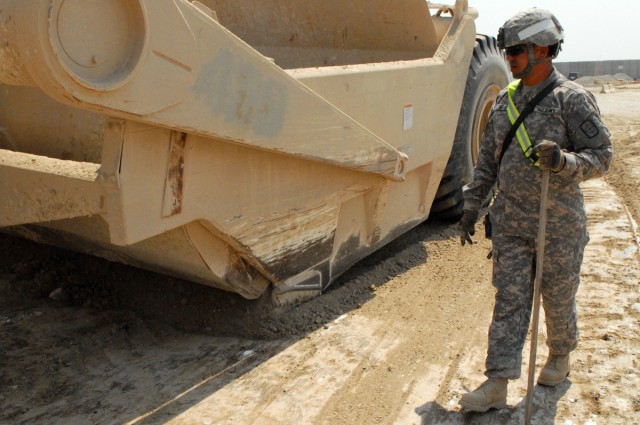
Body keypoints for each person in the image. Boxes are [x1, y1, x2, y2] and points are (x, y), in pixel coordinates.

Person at [457, 8, 613, 412]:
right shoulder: (506, 101)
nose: (509, 58)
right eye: (507, 51)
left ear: (542, 49)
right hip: (510, 225)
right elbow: (489, 162)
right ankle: (497, 382)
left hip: (557, 225)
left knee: (557, 300)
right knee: (508, 301)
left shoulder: (571, 100)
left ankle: (560, 355)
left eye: (516, 50)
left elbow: (603, 156)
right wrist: (472, 205)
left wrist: (565, 162)